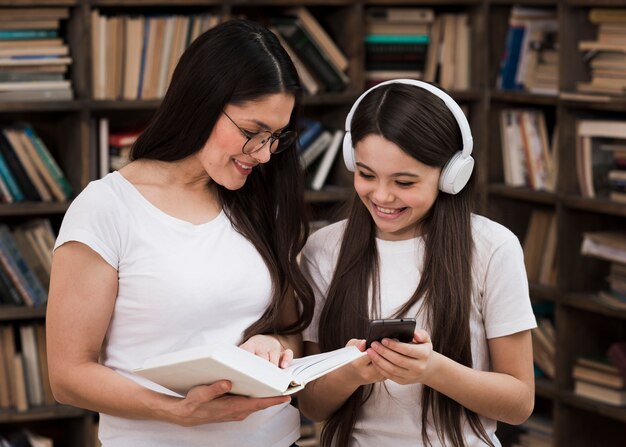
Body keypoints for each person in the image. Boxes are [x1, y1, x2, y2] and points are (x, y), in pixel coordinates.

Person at [46, 19, 314, 447]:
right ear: (202, 102)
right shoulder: (107, 209)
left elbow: (292, 336)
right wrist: (177, 412)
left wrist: (272, 344)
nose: (264, 154)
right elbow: (68, 376)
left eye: (275, 137)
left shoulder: (260, 201)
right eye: (251, 132)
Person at [297, 79, 537, 447]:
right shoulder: (323, 249)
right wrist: (350, 374)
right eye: (365, 174)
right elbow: (313, 406)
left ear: (451, 176)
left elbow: (519, 403)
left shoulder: (493, 248)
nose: (381, 195)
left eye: (404, 182)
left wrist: (433, 370)